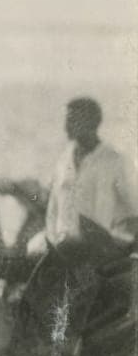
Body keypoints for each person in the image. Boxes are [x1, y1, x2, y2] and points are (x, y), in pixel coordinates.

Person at [40, 97, 138, 249]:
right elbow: (52, 208)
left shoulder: (114, 161)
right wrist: (51, 239)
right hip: (61, 247)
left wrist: (122, 241)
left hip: (95, 252)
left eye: (72, 121)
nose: (66, 127)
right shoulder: (64, 159)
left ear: (91, 123)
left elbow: (133, 208)